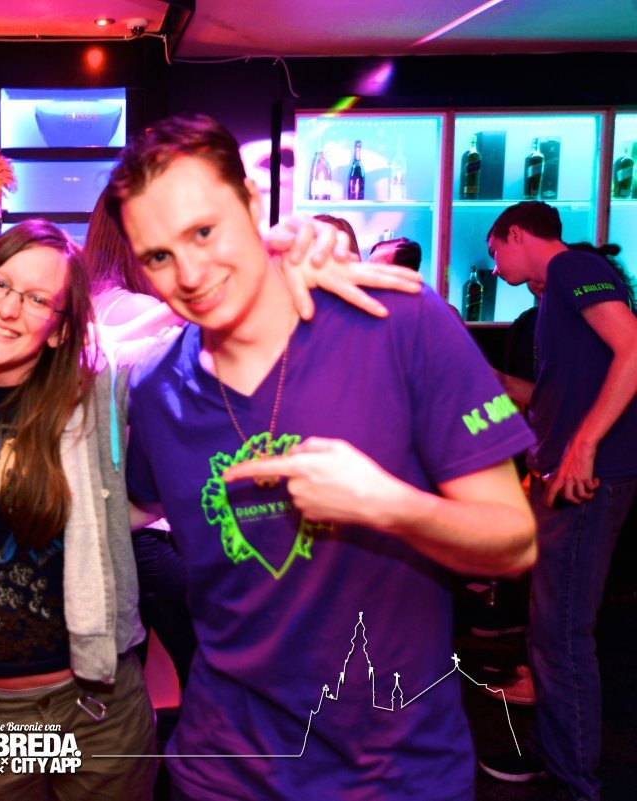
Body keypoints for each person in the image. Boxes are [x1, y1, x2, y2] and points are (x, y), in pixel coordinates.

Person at [106, 114, 537, 801]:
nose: (189, 273)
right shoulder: (157, 388)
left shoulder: (398, 322)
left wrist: (386, 504)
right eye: (158, 255)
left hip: (391, 772)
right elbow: (134, 504)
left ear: (252, 202)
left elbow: (514, 542)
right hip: (223, 769)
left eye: (204, 231)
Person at [0, 220, 156, 800]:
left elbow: (197, 366)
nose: (8, 308)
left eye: (37, 299)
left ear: (59, 329)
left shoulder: (96, 390)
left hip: (91, 710)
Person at [478, 203, 637, 801]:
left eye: (495, 252)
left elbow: (635, 348)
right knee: (549, 627)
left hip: (590, 479)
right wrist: (497, 384)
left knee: (563, 631)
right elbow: (553, 393)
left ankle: (575, 782)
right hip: (562, 476)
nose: (495, 268)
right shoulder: (552, 296)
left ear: (517, 234)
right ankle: (557, 753)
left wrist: (583, 446)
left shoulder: (573, 267)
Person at [83, 194, 196, 690]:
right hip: (150, 526)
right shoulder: (143, 310)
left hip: (105, 527)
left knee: (116, 684)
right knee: (209, 679)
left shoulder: (89, 305)